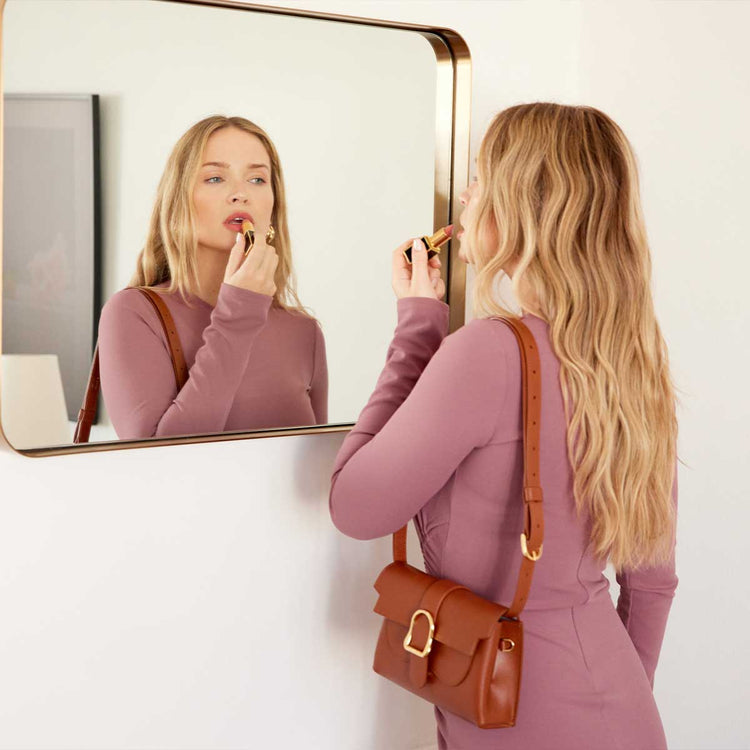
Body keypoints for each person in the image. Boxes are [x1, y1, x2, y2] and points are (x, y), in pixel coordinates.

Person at [329, 102, 679, 750]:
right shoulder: (634, 362)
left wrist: (416, 329)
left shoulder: (487, 352)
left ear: (523, 205)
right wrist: (610, 708)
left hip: (520, 720)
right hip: (618, 707)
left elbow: (354, 504)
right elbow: (652, 583)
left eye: (482, 176)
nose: (466, 193)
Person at [98, 115, 328, 439]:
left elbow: (320, 471)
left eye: (258, 180)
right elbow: (158, 460)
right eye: (216, 178)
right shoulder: (133, 313)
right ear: (179, 199)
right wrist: (239, 313)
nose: (240, 194)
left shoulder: (305, 333)